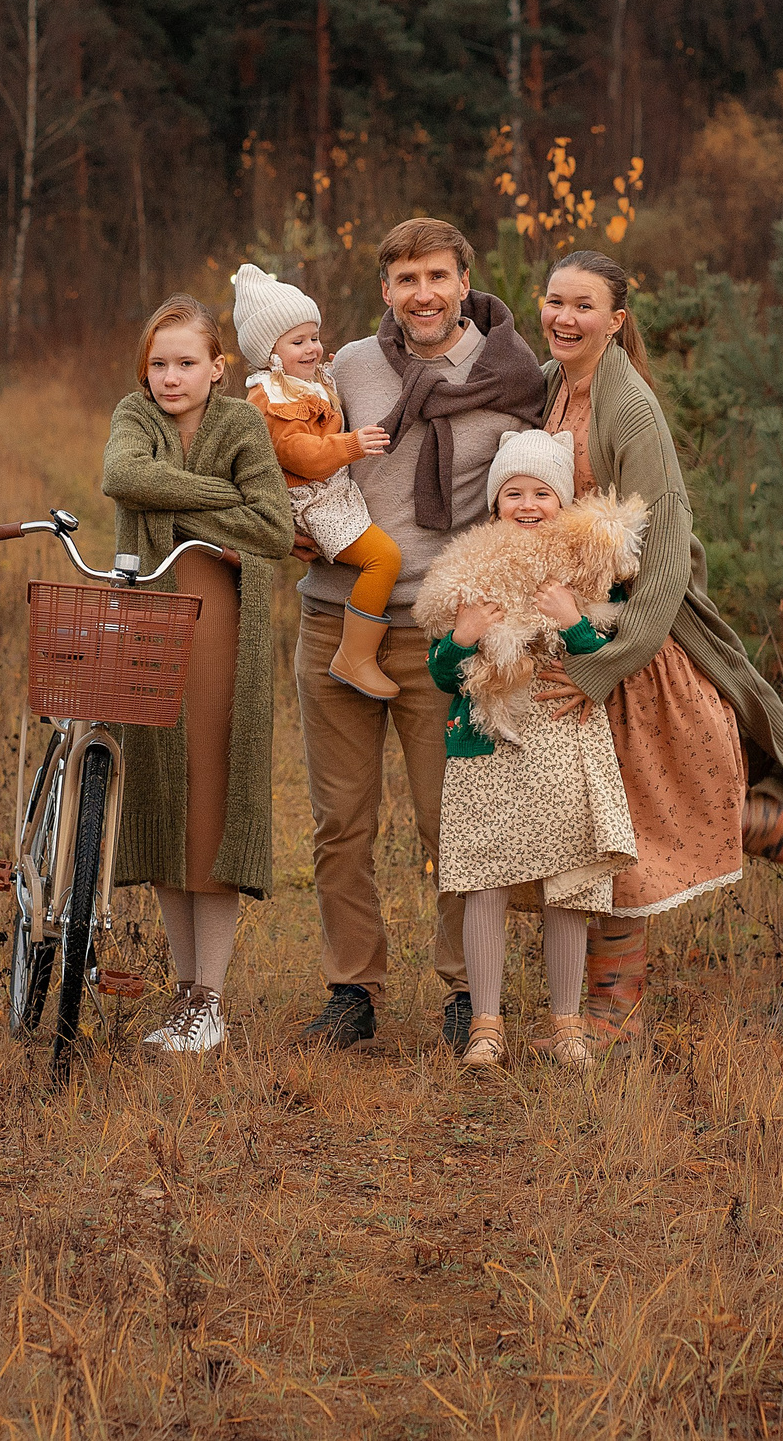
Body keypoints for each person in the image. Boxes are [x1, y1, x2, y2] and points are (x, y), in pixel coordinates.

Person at [533, 250, 783, 1058]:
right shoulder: (556, 383)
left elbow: (666, 552)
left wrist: (605, 662)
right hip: (583, 627)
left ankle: (616, 1011)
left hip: (635, 644)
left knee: (627, 819)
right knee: (633, 812)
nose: (564, 317)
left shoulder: (632, 409)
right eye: (553, 301)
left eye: (585, 306)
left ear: (618, 319)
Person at [293, 218, 548, 1052]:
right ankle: (352, 988)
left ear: (464, 279)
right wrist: (289, 522)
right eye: (406, 280)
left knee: (454, 820)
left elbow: (529, 499)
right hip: (336, 617)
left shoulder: (510, 377)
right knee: (342, 818)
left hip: (441, 630)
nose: (423, 295)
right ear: (384, 291)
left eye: (437, 276)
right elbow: (296, 457)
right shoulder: (348, 369)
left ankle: (464, 989)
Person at [100, 296, 295, 1059]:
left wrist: (170, 501)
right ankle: (184, 995)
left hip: (220, 624)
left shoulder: (241, 426)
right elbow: (122, 473)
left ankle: (211, 998)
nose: (170, 377)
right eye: (159, 363)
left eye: (187, 362)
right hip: (148, 617)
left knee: (209, 798)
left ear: (220, 368)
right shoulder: (134, 416)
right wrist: (222, 503)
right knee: (159, 795)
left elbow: (274, 528)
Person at [420, 432, 641, 1070]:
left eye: (541, 493)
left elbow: (606, 659)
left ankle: (566, 1023)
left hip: (565, 741)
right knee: (484, 880)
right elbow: (441, 673)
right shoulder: (469, 572)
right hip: (488, 746)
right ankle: (486, 1024)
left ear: (562, 501)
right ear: (494, 504)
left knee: (568, 881)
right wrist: (462, 640)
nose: (526, 504)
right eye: (512, 492)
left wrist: (571, 618)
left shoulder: (586, 566)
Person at [234, 262, 403, 700]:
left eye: (314, 337)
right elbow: (301, 454)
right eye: (298, 341)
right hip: (312, 501)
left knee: (381, 555)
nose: (312, 348)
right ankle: (355, 655)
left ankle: (356, 653)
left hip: (330, 493)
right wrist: (351, 444)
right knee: (383, 558)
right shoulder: (272, 400)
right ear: (268, 352)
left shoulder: (296, 383)